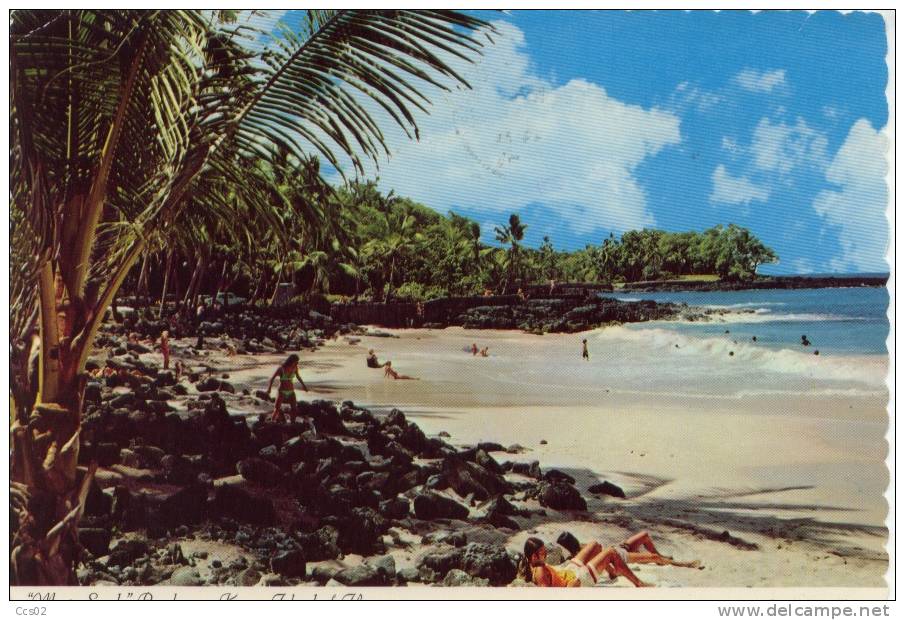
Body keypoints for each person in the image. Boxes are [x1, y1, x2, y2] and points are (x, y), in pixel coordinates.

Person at [521, 531, 700, 588]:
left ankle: (614, 571)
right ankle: (638, 583)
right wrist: (573, 585)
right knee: (610, 552)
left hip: (567, 570)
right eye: (543, 552)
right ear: (535, 555)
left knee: (595, 545)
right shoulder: (541, 570)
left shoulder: (533, 565)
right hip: (575, 579)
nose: (546, 554)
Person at [267, 354, 309, 423]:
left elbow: (298, 377)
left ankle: (292, 423)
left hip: (291, 391)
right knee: (277, 408)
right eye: (296, 361)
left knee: (294, 409)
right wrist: (269, 389)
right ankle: (272, 422)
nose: (297, 363)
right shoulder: (281, 368)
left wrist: (304, 386)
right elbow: (272, 379)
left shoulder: (295, 367)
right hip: (281, 391)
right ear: (291, 361)